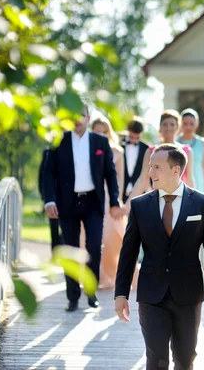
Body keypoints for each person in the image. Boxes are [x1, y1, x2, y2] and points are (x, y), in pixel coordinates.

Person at [114, 144, 204, 370]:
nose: (150, 173)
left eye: (156, 167)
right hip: (151, 293)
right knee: (156, 359)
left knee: (185, 360)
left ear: (176, 170)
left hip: (188, 294)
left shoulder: (203, 203)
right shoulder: (140, 205)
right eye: (150, 167)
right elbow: (128, 252)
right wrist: (121, 293)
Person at [43, 105, 122, 312]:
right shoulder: (58, 140)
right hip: (66, 203)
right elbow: (48, 173)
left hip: (93, 203)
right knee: (70, 249)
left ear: (88, 118)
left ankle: (91, 291)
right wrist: (49, 200)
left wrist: (114, 201)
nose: (77, 119)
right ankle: (72, 296)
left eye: (81, 115)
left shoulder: (100, 141)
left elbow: (110, 174)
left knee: (94, 247)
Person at [90, 117, 135, 290]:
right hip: (91, 196)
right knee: (89, 236)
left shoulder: (117, 151)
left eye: (104, 131)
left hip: (109, 197)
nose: (100, 135)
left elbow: (120, 179)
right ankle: (95, 276)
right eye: (97, 131)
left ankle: (113, 274)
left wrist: (116, 202)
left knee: (111, 236)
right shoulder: (87, 149)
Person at [122, 110, 195, 215]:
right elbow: (143, 179)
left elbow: (190, 179)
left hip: (180, 200)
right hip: (157, 200)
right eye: (165, 124)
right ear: (160, 127)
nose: (168, 128)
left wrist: (193, 202)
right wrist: (128, 205)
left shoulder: (186, 151)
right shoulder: (151, 150)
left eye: (172, 124)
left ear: (177, 127)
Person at [177, 108, 204, 195]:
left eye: (191, 124)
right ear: (180, 124)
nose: (188, 127)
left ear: (197, 124)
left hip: (199, 187)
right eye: (185, 124)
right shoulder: (175, 142)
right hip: (179, 187)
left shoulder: (203, 143)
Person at [38, 146, 64, 251]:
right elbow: (43, 176)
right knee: (54, 227)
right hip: (53, 198)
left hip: (67, 198)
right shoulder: (49, 152)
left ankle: (62, 249)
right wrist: (45, 197)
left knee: (67, 228)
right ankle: (54, 252)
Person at [121, 117, 149, 203]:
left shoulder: (146, 148)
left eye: (137, 138)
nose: (133, 140)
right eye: (131, 136)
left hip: (138, 193)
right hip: (120, 191)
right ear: (128, 131)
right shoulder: (118, 145)